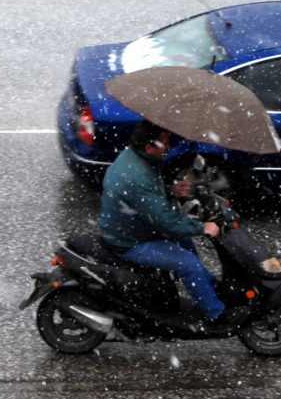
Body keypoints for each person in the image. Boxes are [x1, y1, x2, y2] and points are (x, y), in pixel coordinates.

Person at [98, 120, 247, 327]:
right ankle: (217, 316)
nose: (168, 147)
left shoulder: (136, 159)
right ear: (150, 147)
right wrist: (202, 227)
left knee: (184, 242)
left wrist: (171, 190)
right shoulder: (137, 175)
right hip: (130, 241)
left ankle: (209, 287)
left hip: (136, 226)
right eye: (164, 143)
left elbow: (147, 199)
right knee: (188, 264)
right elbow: (165, 220)